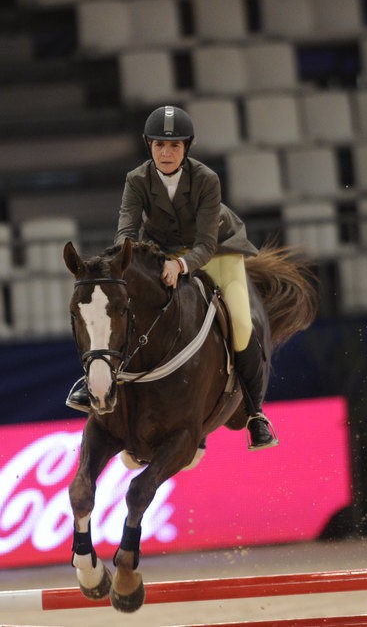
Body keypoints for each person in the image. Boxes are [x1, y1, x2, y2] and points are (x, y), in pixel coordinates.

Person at [65, 104, 278, 450]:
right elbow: (126, 232)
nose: (166, 153)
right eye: (160, 146)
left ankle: (256, 414)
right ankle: (97, 383)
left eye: (175, 146)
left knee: (241, 324)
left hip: (218, 251)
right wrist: (123, 266)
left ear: (187, 148)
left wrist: (181, 266)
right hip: (162, 250)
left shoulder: (206, 180)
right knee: (121, 312)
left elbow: (205, 244)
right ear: (148, 145)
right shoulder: (137, 180)